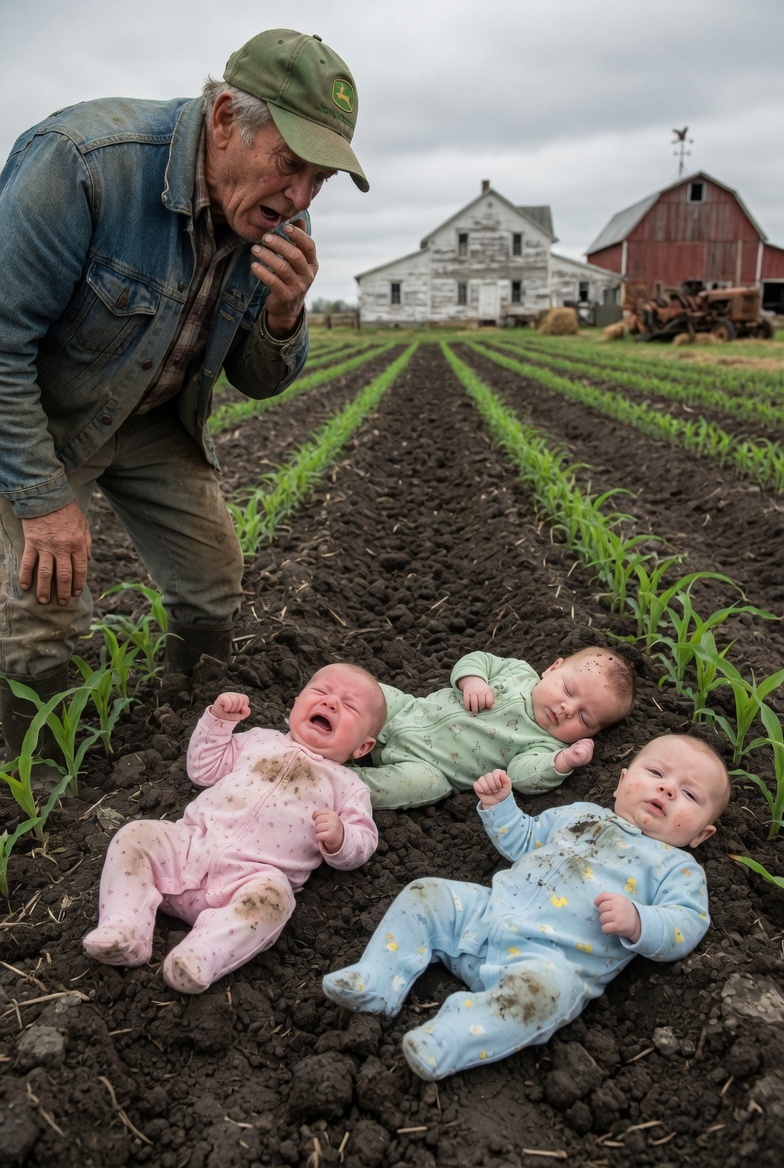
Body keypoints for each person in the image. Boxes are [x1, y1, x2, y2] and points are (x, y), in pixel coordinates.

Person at [0, 29, 368, 772]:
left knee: (212, 582)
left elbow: (257, 380)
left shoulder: (276, 212)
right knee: (46, 605)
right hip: (43, 415)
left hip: (152, 419)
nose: (300, 197)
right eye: (290, 163)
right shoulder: (82, 164)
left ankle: (190, 735)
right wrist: (43, 501)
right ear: (227, 118)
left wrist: (285, 315)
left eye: (320, 178)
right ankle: (39, 785)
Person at [323, 733, 729, 1080]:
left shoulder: (676, 867)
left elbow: (687, 922)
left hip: (545, 963)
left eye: (690, 794)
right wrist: (501, 806)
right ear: (622, 782)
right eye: (656, 774)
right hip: (482, 918)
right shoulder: (580, 814)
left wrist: (641, 920)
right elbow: (525, 841)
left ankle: (452, 1037)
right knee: (426, 893)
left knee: (546, 996)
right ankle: (379, 978)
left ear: (702, 833)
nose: (667, 790)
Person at [83, 663, 385, 993]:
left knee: (275, 900)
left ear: (362, 748)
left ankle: (202, 953)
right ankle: (125, 927)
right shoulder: (258, 740)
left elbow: (364, 840)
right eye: (321, 692)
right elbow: (203, 770)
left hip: (249, 880)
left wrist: (342, 837)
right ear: (296, 703)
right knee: (136, 836)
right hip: (190, 848)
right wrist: (219, 722)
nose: (330, 703)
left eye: (349, 705)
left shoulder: (348, 786)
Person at [353, 647, 636, 809]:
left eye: (584, 719)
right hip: (407, 710)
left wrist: (561, 763)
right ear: (552, 668)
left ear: (591, 734)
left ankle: (337, 783)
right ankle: (317, 720)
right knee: (364, 691)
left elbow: (522, 777)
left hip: (429, 768)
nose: (567, 709)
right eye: (567, 689)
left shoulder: (546, 746)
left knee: (414, 786)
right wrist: (472, 679)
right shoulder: (518, 672)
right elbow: (478, 659)